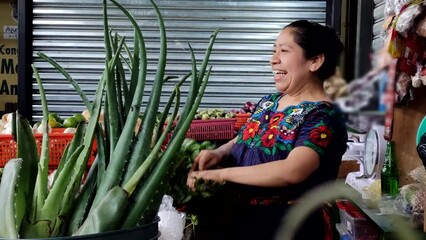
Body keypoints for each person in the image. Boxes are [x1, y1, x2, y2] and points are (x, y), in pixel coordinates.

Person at [187, 20, 348, 240]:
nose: (273, 60)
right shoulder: (269, 102)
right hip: (240, 219)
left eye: (284, 51)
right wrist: (219, 153)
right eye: (274, 51)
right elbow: (244, 138)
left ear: (315, 61)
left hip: (285, 225)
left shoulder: (323, 115)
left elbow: (292, 171)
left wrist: (222, 174)